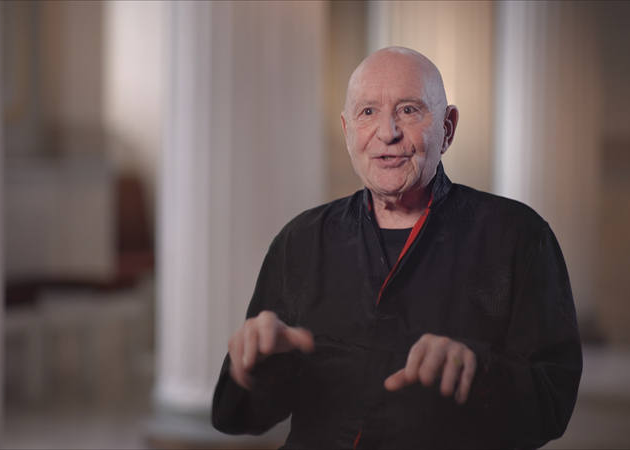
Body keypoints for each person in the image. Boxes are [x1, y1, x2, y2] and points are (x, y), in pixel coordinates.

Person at [211, 47, 582, 448]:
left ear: (447, 128)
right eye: (367, 112)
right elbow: (238, 417)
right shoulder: (300, 240)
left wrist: (477, 369)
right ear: (347, 130)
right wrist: (259, 363)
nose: (387, 133)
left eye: (408, 110)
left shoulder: (519, 236)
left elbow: (552, 404)